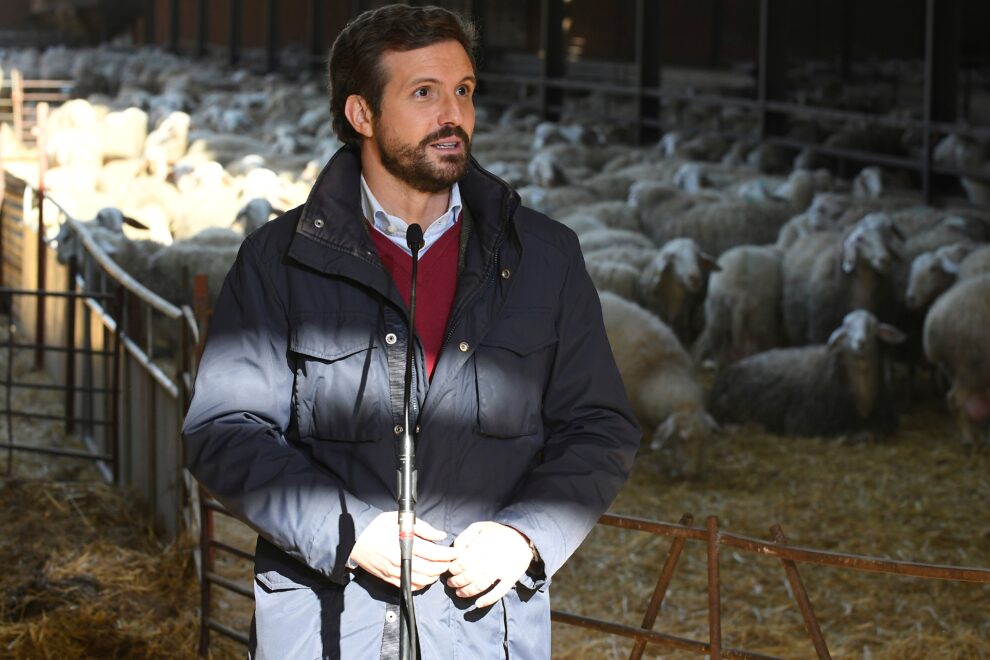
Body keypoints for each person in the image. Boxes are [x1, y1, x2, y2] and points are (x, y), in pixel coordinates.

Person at [182, 4, 640, 658]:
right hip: (330, 630)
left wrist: (527, 535)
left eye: (463, 91)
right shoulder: (277, 260)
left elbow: (600, 423)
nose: (452, 113)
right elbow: (223, 430)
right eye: (423, 92)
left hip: (483, 632)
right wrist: (347, 531)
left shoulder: (545, 256)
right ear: (361, 114)